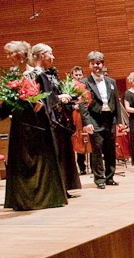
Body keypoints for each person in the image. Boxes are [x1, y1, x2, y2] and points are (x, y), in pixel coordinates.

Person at [1, 40, 67, 211]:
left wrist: (42, 103)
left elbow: (50, 97)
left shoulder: (37, 74)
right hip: (20, 123)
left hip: (37, 124)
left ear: (22, 54)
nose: (9, 57)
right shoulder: (12, 76)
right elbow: (6, 102)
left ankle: (46, 198)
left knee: (41, 159)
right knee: (21, 160)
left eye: (11, 53)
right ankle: (23, 199)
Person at [32, 43, 81, 198]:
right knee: (55, 154)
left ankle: (64, 186)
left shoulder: (50, 74)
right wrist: (59, 98)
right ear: (41, 55)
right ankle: (56, 189)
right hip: (48, 121)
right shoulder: (35, 74)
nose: (53, 57)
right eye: (50, 53)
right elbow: (41, 96)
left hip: (60, 118)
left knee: (64, 153)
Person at [83, 51, 122, 189]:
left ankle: (110, 177)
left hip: (110, 118)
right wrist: (87, 123)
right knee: (97, 149)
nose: (96, 66)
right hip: (95, 118)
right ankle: (99, 179)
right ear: (89, 65)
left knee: (110, 149)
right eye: (93, 63)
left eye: (98, 63)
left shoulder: (111, 82)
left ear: (103, 64)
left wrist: (119, 121)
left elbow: (116, 102)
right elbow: (83, 105)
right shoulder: (84, 83)